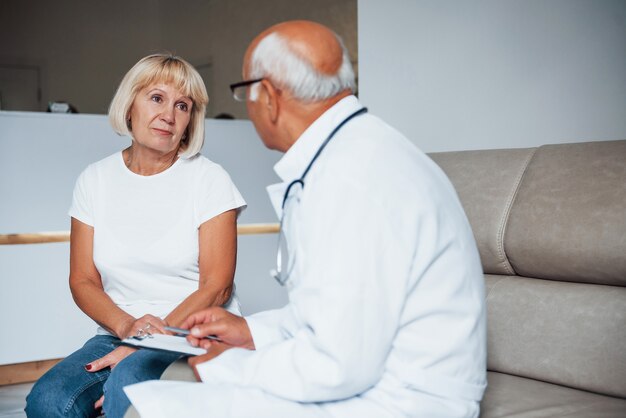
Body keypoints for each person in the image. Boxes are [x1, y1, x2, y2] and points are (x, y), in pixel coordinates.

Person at [124, 21, 487, 418]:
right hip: (377, 377)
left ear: (271, 98)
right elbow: (338, 313)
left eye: (246, 92)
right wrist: (252, 331)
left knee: (149, 408)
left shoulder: (352, 179)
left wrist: (230, 366)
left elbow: (339, 364)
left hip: (399, 402)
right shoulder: (357, 153)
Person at [25, 53, 246, 418]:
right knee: (47, 401)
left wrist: (149, 341)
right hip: (117, 330)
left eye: (182, 106)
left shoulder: (210, 179)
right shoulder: (94, 180)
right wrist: (128, 328)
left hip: (190, 333)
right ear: (130, 106)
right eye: (156, 98)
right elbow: (82, 280)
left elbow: (217, 286)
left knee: (126, 392)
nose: (169, 115)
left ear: (190, 121)